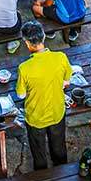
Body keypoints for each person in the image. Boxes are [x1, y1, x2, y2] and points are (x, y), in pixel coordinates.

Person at [15, 20, 72, 171]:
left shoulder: (24, 68)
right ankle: (61, 170)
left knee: (38, 151)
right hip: (56, 112)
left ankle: (41, 174)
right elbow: (66, 82)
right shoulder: (61, 57)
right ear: (44, 37)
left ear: (27, 43)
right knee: (59, 145)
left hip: (36, 118)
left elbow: (21, 95)